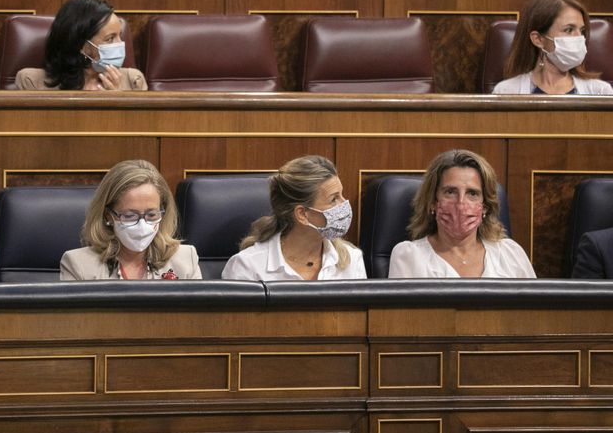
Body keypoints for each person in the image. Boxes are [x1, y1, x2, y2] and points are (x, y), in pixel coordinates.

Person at [389, 149, 535, 279]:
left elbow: (534, 309)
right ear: (432, 201)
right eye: (450, 192)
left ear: (485, 206)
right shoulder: (408, 256)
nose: (460, 204)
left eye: (472, 193)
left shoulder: (511, 254)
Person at [221, 155, 366, 281]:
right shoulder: (248, 266)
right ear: (302, 214)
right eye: (334, 199)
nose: (345, 204)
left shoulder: (352, 259)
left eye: (341, 195)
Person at [60, 160, 200, 280]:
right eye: (129, 216)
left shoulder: (186, 259)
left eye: (151, 215)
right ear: (108, 215)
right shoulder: (78, 265)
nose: (142, 225)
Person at [16, 0, 147, 91]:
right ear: (82, 46)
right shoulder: (31, 82)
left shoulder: (133, 81)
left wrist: (118, 102)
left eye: (120, 36)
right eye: (110, 39)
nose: (120, 44)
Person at [492, 0, 612, 95]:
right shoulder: (507, 92)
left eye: (582, 31)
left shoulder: (600, 92)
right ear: (538, 39)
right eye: (569, 30)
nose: (579, 38)